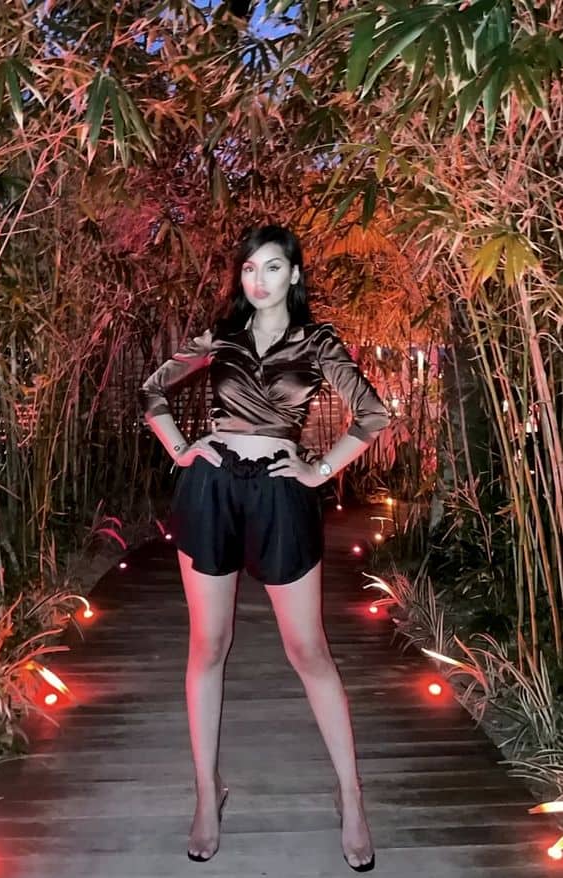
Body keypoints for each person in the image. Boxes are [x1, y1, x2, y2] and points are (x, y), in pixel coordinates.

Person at [141, 225, 390, 872]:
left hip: (281, 492)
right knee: (207, 645)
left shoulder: (318, 342)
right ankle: (207, 792)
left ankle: (351, 796)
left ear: (294, 274)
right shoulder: (220, 338)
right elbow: (152, 391)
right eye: (249, 268)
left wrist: (318, 469)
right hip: (212, 489)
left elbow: (372, 415)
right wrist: (181, 449)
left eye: (272, 267)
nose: (258, 279)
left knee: (309, 650)